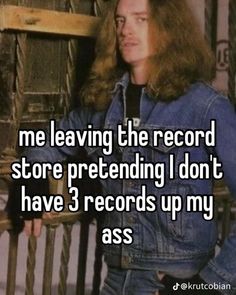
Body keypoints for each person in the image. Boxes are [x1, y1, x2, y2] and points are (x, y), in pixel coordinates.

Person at [7, 0, 236, 294]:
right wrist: (30, 175)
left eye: (141, 19)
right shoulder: (104, 105)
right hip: (116, 279)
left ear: (169, 29)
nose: (126, 30)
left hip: (174, 279)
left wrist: (212, 285)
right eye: (120, 21)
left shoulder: (204, 106)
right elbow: (49, 142)